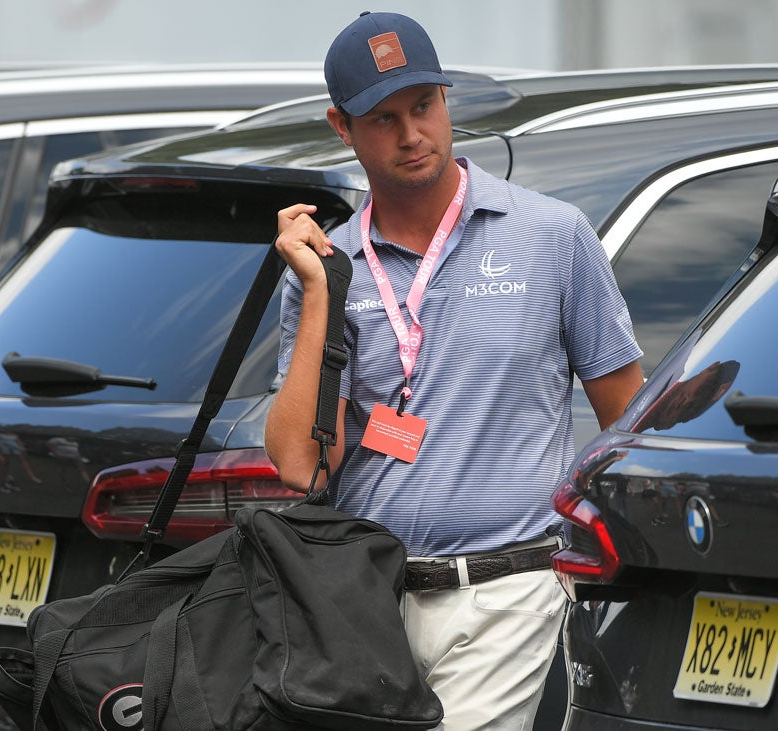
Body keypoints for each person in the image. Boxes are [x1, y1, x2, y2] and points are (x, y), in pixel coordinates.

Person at [264, 11, 644, 730]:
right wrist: (318, 290)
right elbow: (297, 463)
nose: (412, 134)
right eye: (383, 119)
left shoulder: (552, 235)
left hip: (511, 592)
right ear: (341, 126)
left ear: (445, 100)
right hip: (366, 604)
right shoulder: (331, 265)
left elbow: (627, 417)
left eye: (425, 106)